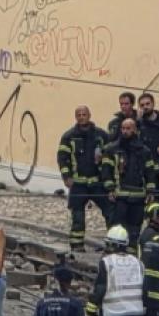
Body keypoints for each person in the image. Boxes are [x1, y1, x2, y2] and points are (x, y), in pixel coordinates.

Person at [57, 105, 113, 252]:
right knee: (78, 217)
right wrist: (66, 177)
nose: (82, 117)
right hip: (78, 184)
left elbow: (110, 155)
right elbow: (62, 158)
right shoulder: (68, 136)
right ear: (76, 117)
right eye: (79, 114)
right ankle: (77, 246)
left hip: (97, 182)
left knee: (110, 211)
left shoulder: (101, 135)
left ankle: (113, 243)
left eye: (84, 114)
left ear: (89, 115)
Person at [88, 225, 145, 316]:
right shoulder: (137, 262)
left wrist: (91, 311)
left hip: (111, 313)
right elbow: (144, 288)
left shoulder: (107, 262)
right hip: (132, 313)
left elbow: (100, 288)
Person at [101, 117, 156, 248]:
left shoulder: (144, 151)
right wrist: (110, 189)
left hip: (138, 197)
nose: (125, 131)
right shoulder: (112, 149)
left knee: (135, 227)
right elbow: (106, 171)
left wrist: (150, 192)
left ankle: (131, 251)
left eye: (128, 128)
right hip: (120, 197)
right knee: (118, 225)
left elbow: (150, 172)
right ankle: (116, 248)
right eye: (123, 128)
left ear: (135, 130)